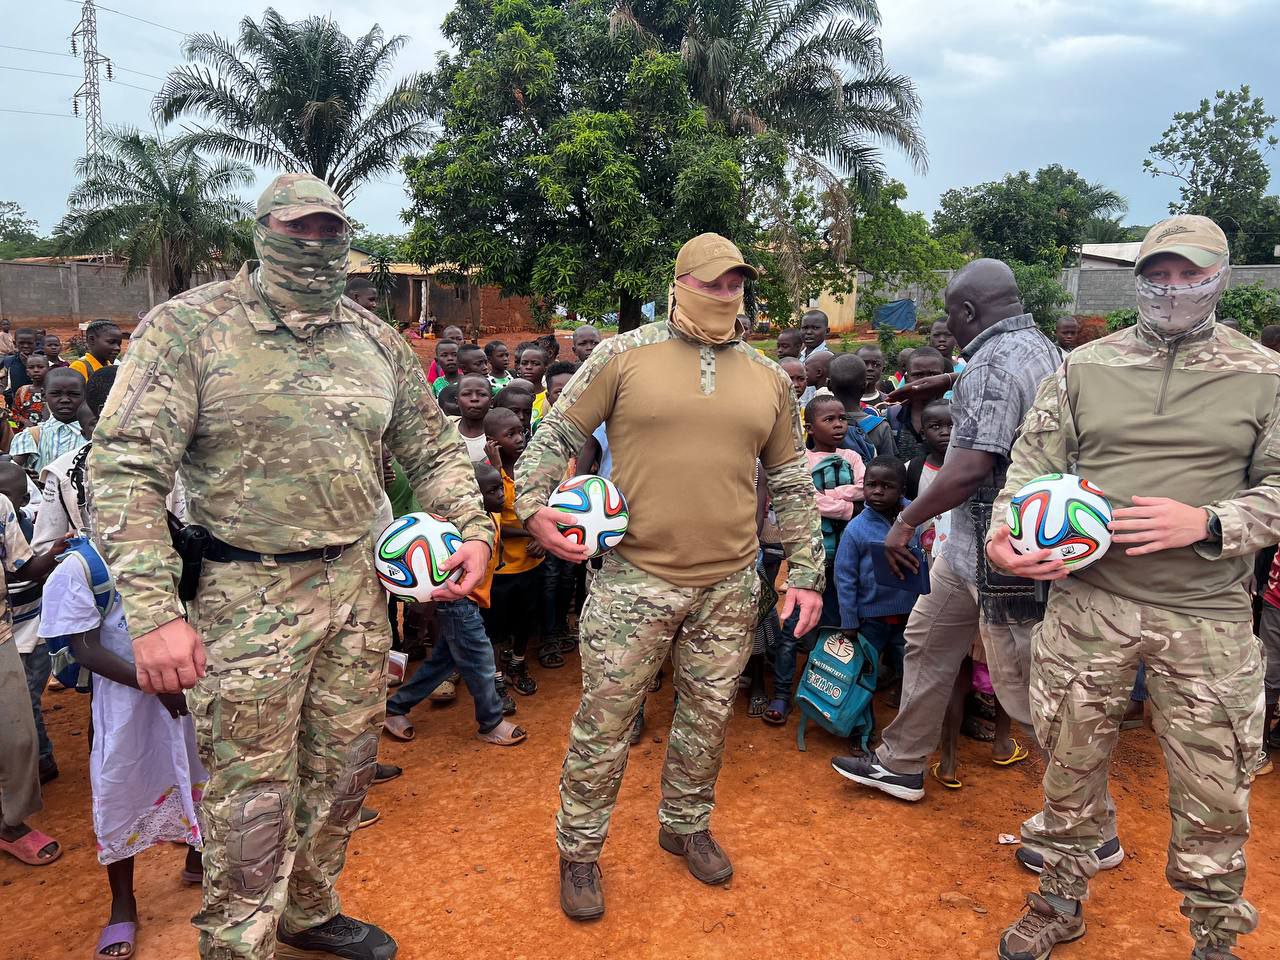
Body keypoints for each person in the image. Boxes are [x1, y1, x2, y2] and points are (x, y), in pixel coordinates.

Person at [89, 173, 493, 960]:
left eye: (330, 230)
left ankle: (310, 908)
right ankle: (239, 942)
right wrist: (155, 613)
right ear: (264, 231)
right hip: (245, 593)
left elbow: (433, 445)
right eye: (299, 229)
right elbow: (125, 470)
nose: (316, 245)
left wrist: (470, 527)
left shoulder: (373, 340)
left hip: (354, 584)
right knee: (252, 792)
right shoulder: (190, 329)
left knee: (344, 768)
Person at [987, 215, 1280, 960]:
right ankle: (1059, 900)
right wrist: (1004, 537)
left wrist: (1210, 522)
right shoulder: (1083, 368)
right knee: (1068, 766)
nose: (1174, 289)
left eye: (1191, 274)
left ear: (1221, 276)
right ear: (1141, 278)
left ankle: (1214, 936)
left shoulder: (1265, 375)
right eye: (1160, 274)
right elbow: (1028, 470)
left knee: (1215, 791)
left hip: (1207, 618)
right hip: (1090, 605)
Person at [515, 232, 824, 920]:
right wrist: (533, 504)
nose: (725, 294)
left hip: (731, 581)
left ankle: (685, 823)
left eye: (735, 282)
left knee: (709, 715)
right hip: (635, 578)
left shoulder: (768, 376)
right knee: (607, 720)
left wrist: (803, 569)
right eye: (712, 281)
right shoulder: (625, 355)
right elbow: (557, 434)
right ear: (680, 281)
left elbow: (793, 480)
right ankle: (580, 850)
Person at [832, 258, 1064, 801]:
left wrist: (906, 522)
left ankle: (1087, 821)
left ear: (967, 311)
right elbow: (1003, 394)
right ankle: (902, 761)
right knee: (927, 639)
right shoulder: (1040, 348)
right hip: (972, 548)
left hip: (1001, 554)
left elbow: (969, 467)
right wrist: (949, 378)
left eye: (949, 315)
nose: (949, 325)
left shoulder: (992, 367)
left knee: (1025, 689)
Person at [47, 531, 208, 960]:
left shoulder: (176, 541)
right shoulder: (81, 567)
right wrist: (156, 686)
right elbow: (84, 647)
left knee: (200, 771)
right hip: (126, 706)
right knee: (121, 789)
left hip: (189, 683)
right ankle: (123, 902)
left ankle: (197, 858)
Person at [383, 462, 527, 746]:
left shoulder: (489, 518)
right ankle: (491, 723)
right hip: (460, 604)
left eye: (501, 487)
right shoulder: (452, 533)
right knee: (482, 663)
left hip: (472, 603)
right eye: (493, 490)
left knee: (441, 663)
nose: (502, 495)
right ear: (473, 495)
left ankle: (394, 708)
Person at [763, 394, 863, 725]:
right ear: (809, 426)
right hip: (809, 560)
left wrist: (829, 498)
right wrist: (846, 506)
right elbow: (803, 499)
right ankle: (781, 693)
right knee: (793, 628)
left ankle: (829, 693)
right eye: (829, 420)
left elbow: (864, 488)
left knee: (839, 626)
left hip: (847, 562)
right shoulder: (799, 459)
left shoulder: (852, 456)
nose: (838, 425)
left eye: (841, 419)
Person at [0, 486, 69, 871]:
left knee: (19, 739)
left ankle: (10, 822)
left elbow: (20, 567)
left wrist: (53, 555)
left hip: (1, 636)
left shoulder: (1, 506)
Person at [834, 456, 925, 703]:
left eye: (887, 486)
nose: (877, 491)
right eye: (871, 484)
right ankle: (858, 723)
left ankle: (904, 708)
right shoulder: (856, 529)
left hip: (910, 613)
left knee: (908, 663)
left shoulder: (916, 520)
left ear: (902, 490)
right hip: (871, 616)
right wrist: (849, 620)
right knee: (864, 670)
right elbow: (845, 578)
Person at [483, 407, 550, 686]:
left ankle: (518, 664)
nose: (520, 438)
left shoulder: (531, 469)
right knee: (496, 628)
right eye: (510, 434)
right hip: (500, 570)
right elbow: (493, 520)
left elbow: (548, 509)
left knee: (526, 621)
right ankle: (497, 676)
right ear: (492, 442)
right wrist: (531, 532)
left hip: (530, 563)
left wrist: (542, 538)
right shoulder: (488, 477)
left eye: (521, 431)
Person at [0, 463, 55, 784]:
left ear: (21, 499)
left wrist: (54, 552)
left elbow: (29, 570)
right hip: (10, 630)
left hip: (34, 630)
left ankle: (43, 759)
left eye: (7, 495)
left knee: (29, 700)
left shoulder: (32, 531)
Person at [10, 367, 88, 475]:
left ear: (85, 395)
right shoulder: (33, 436)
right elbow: (12, 472)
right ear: (43, 395)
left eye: (74, 394)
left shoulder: (93, 436)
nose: (65, 400)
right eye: (56, 394)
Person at [886, 346, 948, 465]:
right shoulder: (892, 417)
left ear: (944, 378)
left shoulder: (956, 415)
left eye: (933, 374)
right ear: (907, 378)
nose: (926, 381)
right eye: (918, 375)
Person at [827, 354, 894, 460]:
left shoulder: (819, 424)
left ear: (828, 384)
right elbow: (889, 466)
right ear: (865, 386)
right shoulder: (880, 427)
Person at [454, 374, 494, 463]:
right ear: (457, 402)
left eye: (482, 394)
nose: (474, 398)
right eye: (466, 394)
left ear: (491, 402)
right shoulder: (446, 432)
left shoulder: (500, 435)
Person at [10, 353, 49, 428]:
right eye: (31, 367)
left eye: (40, 367)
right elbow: (14, 413)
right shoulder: (22, 391)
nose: (36, 370)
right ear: (27, 372)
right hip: (29, 434)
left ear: (48, 369)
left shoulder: (54, 391)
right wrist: (24, 421)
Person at [2, 327, 38, 405]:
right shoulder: (9, 361)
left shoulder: (42, 362)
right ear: (15, 344)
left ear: (36, 343)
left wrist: (28, 365)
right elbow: (4, 381)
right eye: (21, 343)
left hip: (37, 403)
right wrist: (7, 392)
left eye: (30, 343)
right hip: (15, 405)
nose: (25, 346)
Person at [855, 344, 889, 411]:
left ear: (883, 369)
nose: (870, 368)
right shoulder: (844, 403)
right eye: (864, 364)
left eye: (876, 364)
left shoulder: (888, 402)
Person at [517, 345, 550, 413]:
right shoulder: (511, 395)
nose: (528, 367)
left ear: (545, 367)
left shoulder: (548, 398)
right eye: (524, 363)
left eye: (535, 363)